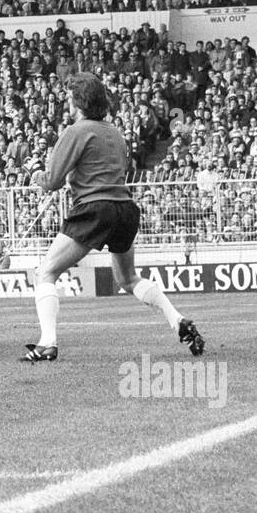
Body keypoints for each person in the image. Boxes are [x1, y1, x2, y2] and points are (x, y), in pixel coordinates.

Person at [25, 73, 204, 362]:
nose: (66, 103)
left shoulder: (76, 131)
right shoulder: (115, 133)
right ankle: (178, 320)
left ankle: (47, 343)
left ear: (79, 101)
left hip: (95, 209)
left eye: (70, 97)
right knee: (128, 278)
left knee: (46, 272)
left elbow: (53, 181)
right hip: (124, 208)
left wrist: (34, 171)